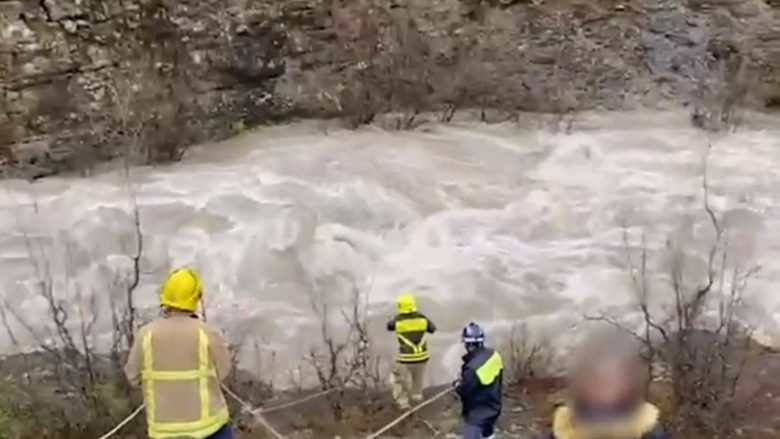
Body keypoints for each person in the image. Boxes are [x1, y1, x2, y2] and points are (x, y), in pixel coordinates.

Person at [125, 267, 233, 439]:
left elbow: (133, 377)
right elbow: (224, 371)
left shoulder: (145, 335)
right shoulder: (206, 333)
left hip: (163, 432)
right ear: (196, 297)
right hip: (210, 429)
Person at [544, 328, 670, 439]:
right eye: (592, 377)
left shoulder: (648, 431)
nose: (600, 387)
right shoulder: (563, 429)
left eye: (609, 379)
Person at [386, 291, 437, 409]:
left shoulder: (398, 320)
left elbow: (389, 326)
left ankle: (403, 403)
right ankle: (417, 399)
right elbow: (432, 329)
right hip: (422, 357)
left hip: (406, 358)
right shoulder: (422, 319)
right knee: (417, 381)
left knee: (397, 380)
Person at [456, 322, 503, 439]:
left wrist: (457, 386)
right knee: (488, 434)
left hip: (478, 414)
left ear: (467, 343)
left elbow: (465, 392)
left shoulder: (472, 368)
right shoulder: (494, 355)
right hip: (494, 406)